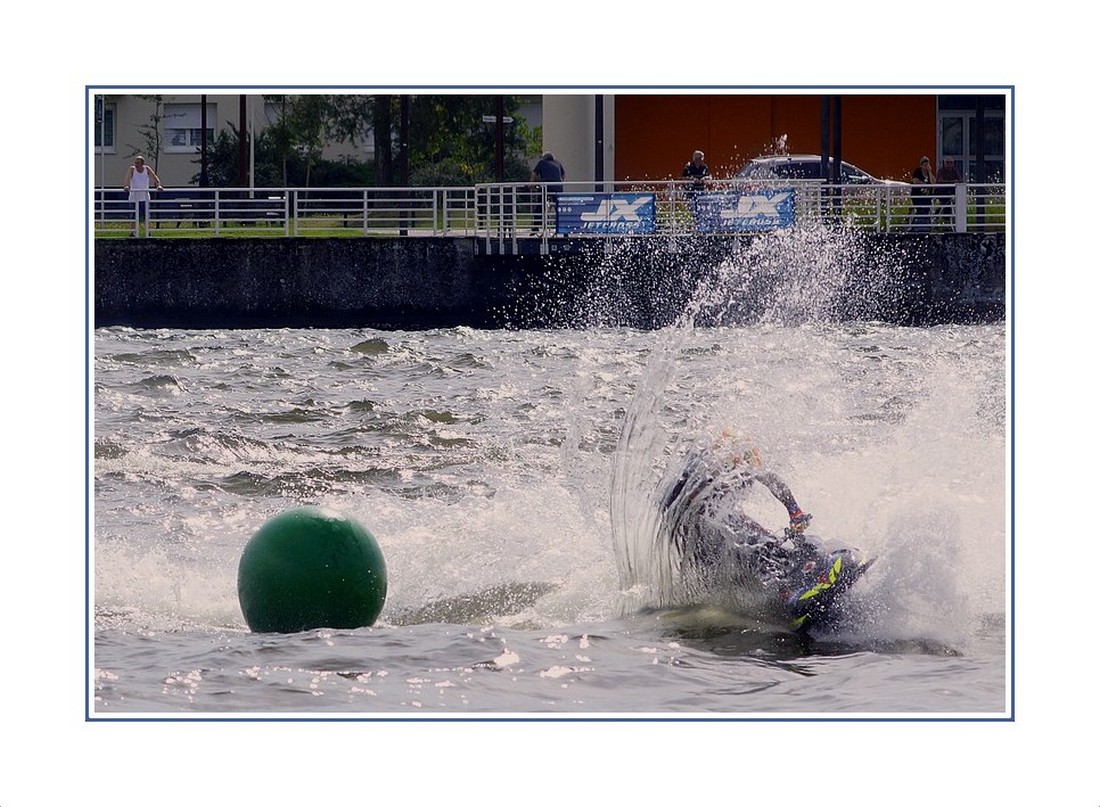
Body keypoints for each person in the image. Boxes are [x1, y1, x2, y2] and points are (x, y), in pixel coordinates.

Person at [660, 430, 811, 575]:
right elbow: (684, 513)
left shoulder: (742, 460)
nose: (746, 472)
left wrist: (795, 511)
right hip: (688, 518)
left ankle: (782, 564)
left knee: (760, 540)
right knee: (720, 551)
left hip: (714, 513)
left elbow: (771, 481)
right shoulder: (705, 472)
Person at [123, 155, 163, 236]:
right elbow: (127, 179)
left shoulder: (147, 169)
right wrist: (126, 186)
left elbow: (155, 178)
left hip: (144, 197)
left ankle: (148, 232)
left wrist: (158, 186)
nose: (136, 165)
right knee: (133, 216)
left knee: (146, 216)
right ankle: (133, 232)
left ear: (142, 164)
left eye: (138, 163)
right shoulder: (132, 169)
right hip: (134, 197)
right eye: (135, 163)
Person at [530, 152, 566, 233]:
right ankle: (562, 225)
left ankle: (536, 226)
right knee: (558, 207)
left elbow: (534, 173)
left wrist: (531, 184)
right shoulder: (558, 163)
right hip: (558, 187)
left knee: (540, 205)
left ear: (544, 157)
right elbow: (563, 175)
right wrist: (560, 181)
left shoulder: (542, 162)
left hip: (546, 186)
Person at [934, 156, 963, 229]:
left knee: (949, 202)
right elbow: (940, 181)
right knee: (947, 201)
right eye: (947, 162)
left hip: (951, 191)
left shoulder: (955, 170)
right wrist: (952, 182)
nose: (949, 164)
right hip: (941, 191)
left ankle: (946, 220)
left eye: (951, 163)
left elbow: (960, 180)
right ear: (944, 163)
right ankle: (944, 219)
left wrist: (951, 182)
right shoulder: (941, 170)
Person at [909, 155, 936, 231]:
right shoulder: (918, 171)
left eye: (927, 164)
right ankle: (915, 226)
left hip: (927, 197)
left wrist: (930, 172)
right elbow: (915, 180)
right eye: (924, 164)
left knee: (926, 210)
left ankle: (926, 226)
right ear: (921, 165)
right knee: (920, 209)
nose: (926, 166)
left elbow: (934, 183)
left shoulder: (929, 173)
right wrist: (925, 185)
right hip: (918, 195)